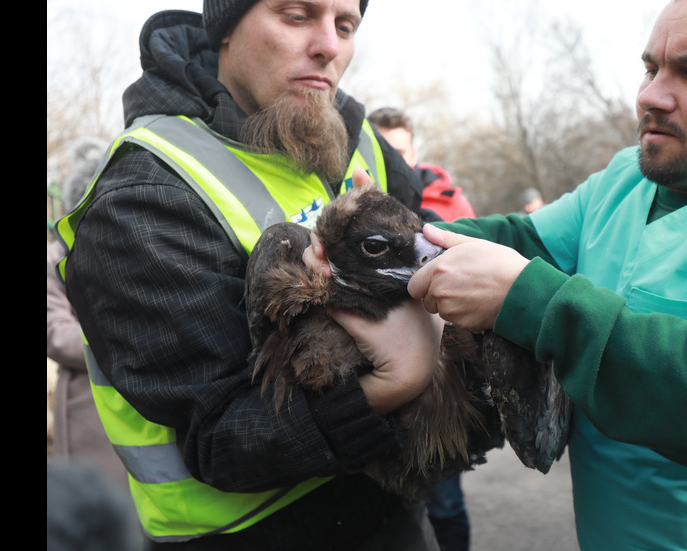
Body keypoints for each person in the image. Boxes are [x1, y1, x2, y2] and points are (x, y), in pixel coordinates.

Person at [404, 0, 687, 549]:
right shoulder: (623, 179)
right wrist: (379, 235)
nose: (651, 95)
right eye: (652, 68)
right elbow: (517, 242)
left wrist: (534, 303)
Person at [55, 1, 445, 549]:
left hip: (391, 508)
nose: (328, 46)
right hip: (246, 532)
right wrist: (392, 383)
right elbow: (220, 439)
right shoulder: (145, 192)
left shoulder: (358, 139)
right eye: (295, 14)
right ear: (225, 29)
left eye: (345, 24)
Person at [367, 106, 473, 551]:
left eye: (402, 150)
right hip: (384, 366)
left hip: (441, 375)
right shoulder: (366, 207)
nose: (398, 160)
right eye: (387, 150)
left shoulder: (448, 199)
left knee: (444, 494)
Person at [47, 137, 131, 496]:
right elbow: (55, 331)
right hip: (87, 404)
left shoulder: (127, 247)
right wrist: (121, 338)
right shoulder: (54, 259)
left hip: (138, 397)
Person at [367, 107, 475, 222]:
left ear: (413, 154)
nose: (389, 161)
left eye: (397, 154)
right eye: (379, 151)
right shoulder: (350, 196)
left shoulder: (455, 205)